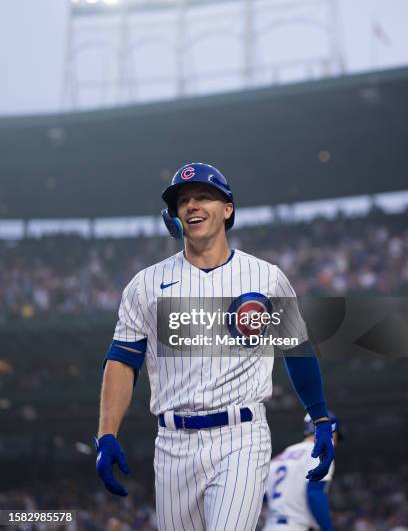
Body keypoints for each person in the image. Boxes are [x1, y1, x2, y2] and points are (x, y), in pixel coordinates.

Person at [95, 163, 335, 531]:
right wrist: (106, 433)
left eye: (204, 196)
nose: (192, 205)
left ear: (228, 209)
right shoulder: (145, 285)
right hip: (172, 444)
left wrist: (319, 417)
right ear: (172, 216)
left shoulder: (266, 277)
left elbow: (297, 350)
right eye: (183, 200)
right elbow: (123, 361)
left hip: (241, 436)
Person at [263, 412, 342, 531]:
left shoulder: (282, 455)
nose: (336, 443)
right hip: (297, 526)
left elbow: (262, 497)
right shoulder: (319, 452)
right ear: (331, 432)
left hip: (270, 526)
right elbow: (314, 493)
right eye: (337, 436)